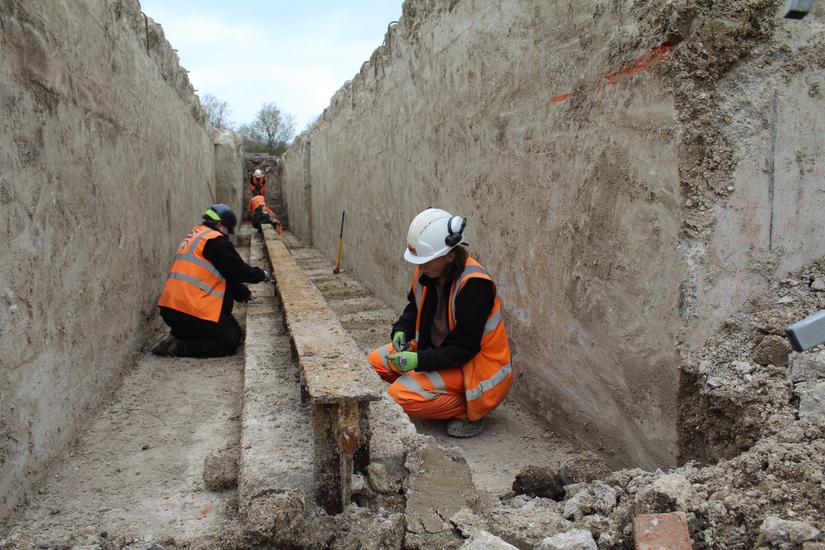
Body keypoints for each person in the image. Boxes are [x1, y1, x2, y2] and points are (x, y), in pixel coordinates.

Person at [368, 208, 513, 437]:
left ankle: (468, 410)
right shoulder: (428, 272)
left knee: (398, 395)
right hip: (437, 352)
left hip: (472, 367)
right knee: (374, 363)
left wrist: (419, 360)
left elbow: (464, 348)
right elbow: (414, 308)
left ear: (450, 255)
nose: (420, 265)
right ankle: (438, 393)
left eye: (425, 260)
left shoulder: (475, 285)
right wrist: (401, 330)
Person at [152, 203, 272, 358]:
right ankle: (178, 347)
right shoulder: (215, 241)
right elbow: (238, 270)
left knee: (235, 330)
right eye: (228, 230)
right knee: (229, 342)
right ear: (220, 224)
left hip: (173, 307)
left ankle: (180, 334)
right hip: (187, 308)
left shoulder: (197, 235)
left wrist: (243, 293)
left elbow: (225, 273)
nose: (227, 235)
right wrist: (263, 275)